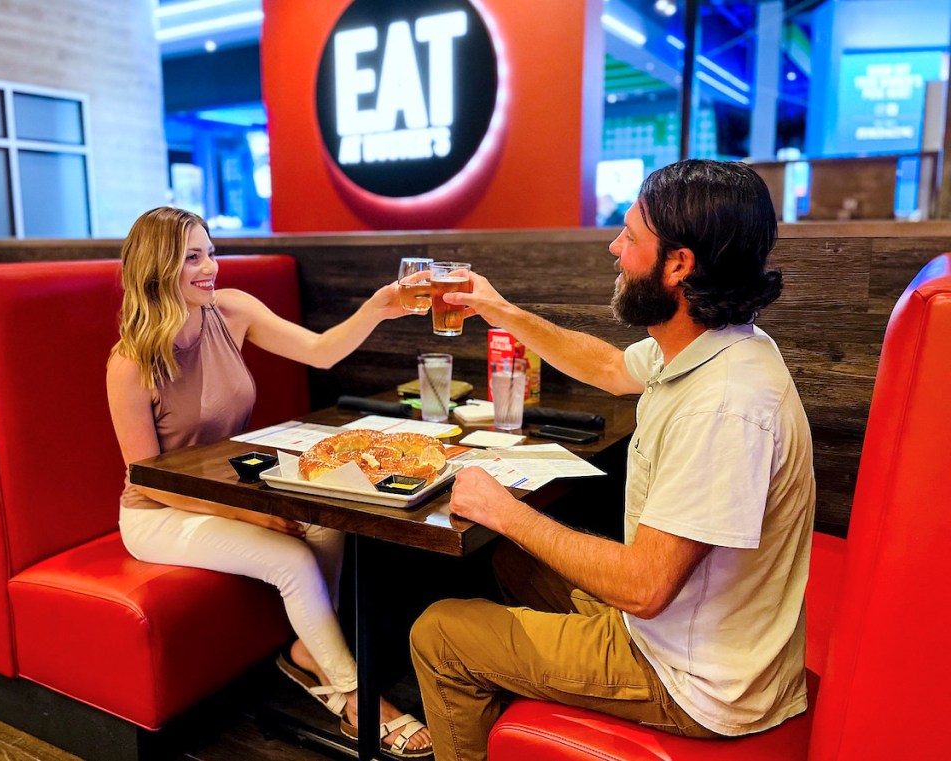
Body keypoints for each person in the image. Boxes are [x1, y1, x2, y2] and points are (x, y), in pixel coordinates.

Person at [410, 159, 815, 760]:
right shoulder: (715, 343)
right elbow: (606, 367)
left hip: (699, 682)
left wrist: (505, 510)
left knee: (438, 633)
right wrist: (500, 311)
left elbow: (646, 587)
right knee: (516, 567)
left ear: (679, 265)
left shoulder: (724, 408)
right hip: (694, 630)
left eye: (630, 235)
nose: (613, 247)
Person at [108, 207, 432, 759]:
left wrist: (379, 307)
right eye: (192, 257)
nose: (210, 267)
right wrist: (250, 514)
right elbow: (150, 478)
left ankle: (310, 650)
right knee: (293, 559)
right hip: (157, 513)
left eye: (211, 251)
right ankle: (355, 698)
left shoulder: (229, 310)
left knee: (325, 522)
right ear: (157, 266)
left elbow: (322, 350)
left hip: (225, 491)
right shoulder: (130, 363)